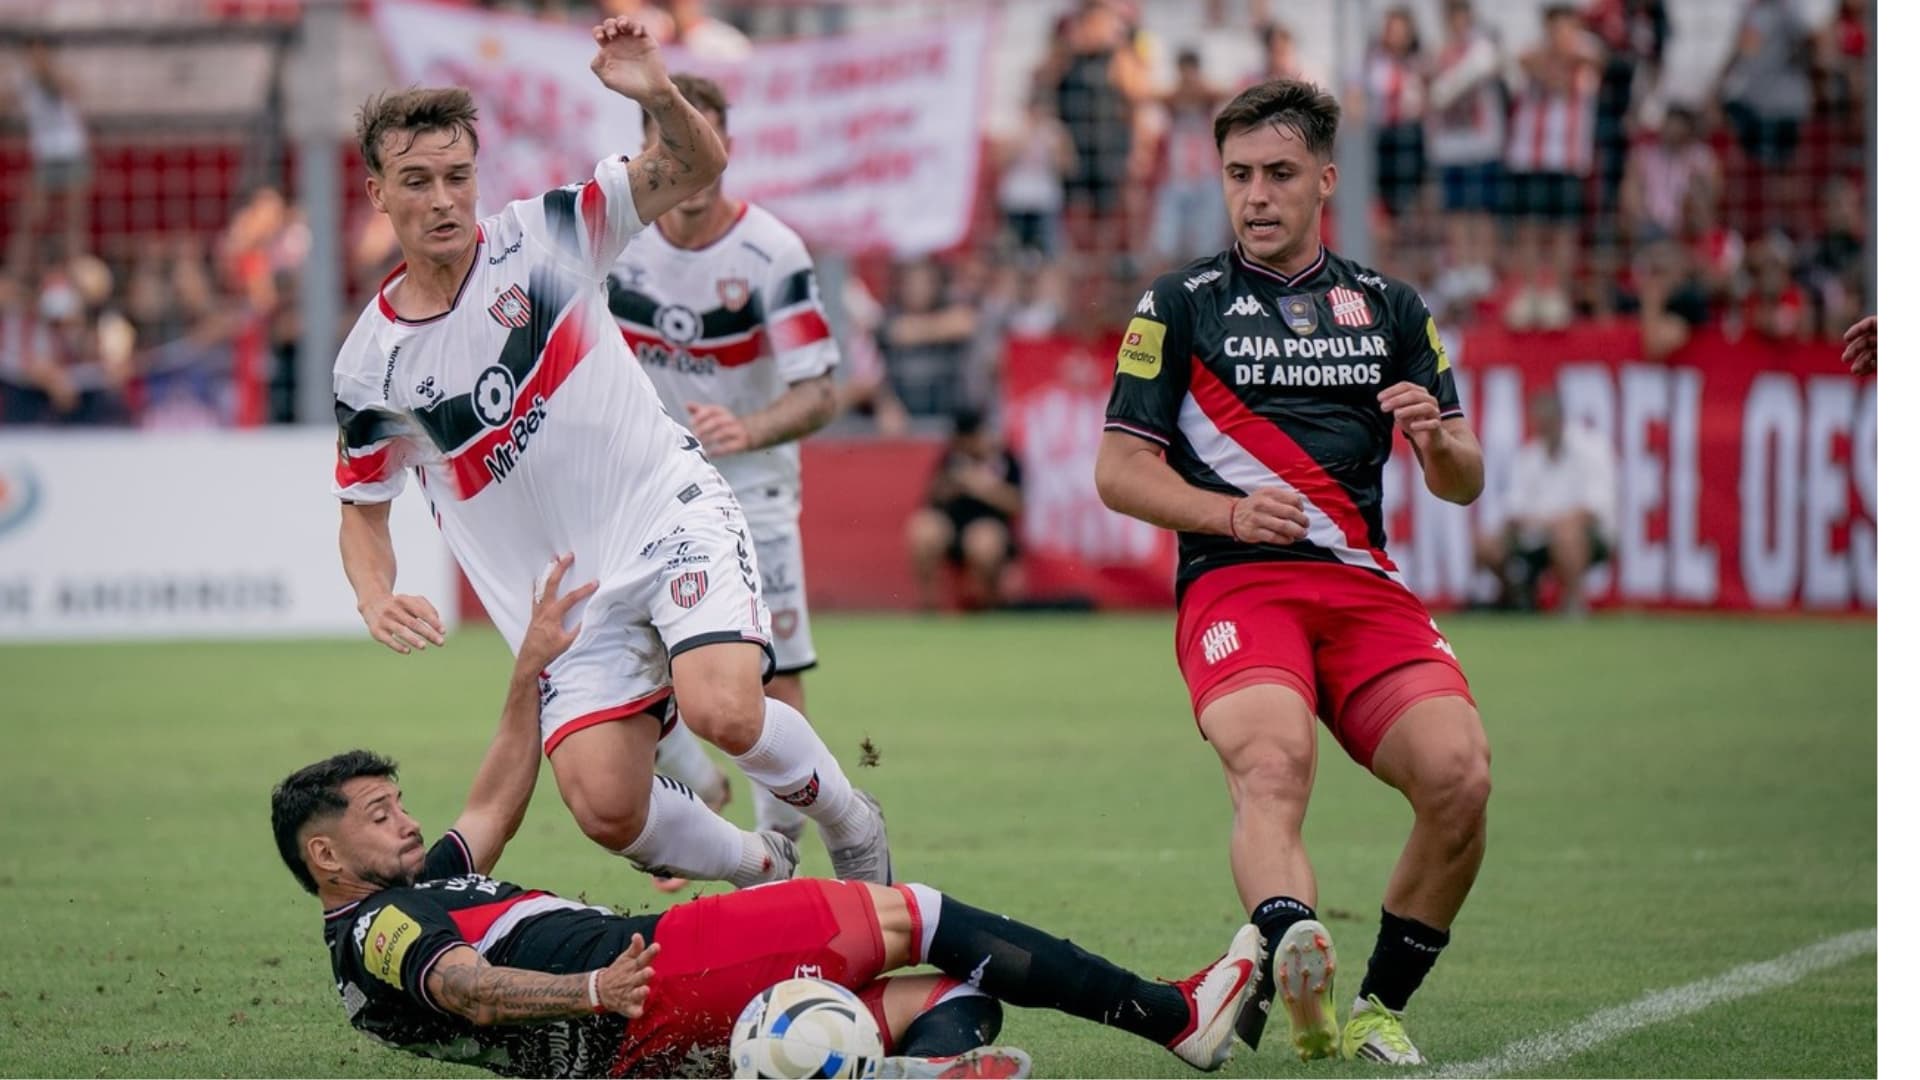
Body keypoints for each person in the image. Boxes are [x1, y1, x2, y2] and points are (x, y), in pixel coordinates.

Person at [271, 564, 1265, 1080]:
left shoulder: (422, 884)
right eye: (380, 817)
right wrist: (592, 985)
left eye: (400, 807)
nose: (407, 825)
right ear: (326, 856)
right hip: (655, 975)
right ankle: (1176, 1017)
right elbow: (472, 991)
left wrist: (531, 672)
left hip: (640, 1045)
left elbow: (492, 801)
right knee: (910, 915)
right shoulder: (376, 928)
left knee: (947, 1008)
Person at [329, 17, 890, 896]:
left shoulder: (549, 234)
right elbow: (363, 509)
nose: (442, 199)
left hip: (663, 514)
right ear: (376, 192)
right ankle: (761, 867)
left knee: (724, 709)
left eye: (456, 176)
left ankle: (851, 821)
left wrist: (659, 95)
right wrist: (374, 592)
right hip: (565, 605)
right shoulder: (371, 365)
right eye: (416, 181)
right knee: (605, 808)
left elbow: (697, 168)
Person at [1094, 79, 1490, 1065]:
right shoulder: (1179, 305)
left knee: (1459, 778)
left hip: (1361, 589)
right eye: (1237, 176)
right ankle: (1288, 939)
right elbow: (1117, 471)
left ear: (1324, 179)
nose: (1255, 195)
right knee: (1272, 767)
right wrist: (1229, 512)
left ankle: (1374, 1006)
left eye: (1277, 174)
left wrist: (1436, 443)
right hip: (1238, 585)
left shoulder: (1391, 308)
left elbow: (1465, 480)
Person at [605, 74, 840, 873]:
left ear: (725, 148)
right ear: (645, 150)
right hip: (643, 489)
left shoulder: (771, 253)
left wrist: (749, 428)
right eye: (667, 140)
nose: (687, 160)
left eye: (699, 139)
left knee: (774, 675)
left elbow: (821, 390)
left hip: (753, 491)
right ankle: (698, 790)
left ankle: (779, 857)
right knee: (621, 663)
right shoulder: (614, 239)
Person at [1474, 389, 1615, 614]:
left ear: (1560, 420)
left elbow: (1594, 508)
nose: (1542, 427)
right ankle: (1517, 597)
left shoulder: (1592, 449)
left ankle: (1573, 603)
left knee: (1567, 536)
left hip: (1583, 536)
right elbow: (1514, 508)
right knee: (1486, 543)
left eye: (1547, 421)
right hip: (1536, 535)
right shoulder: (1530, 455)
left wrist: (1552, 524)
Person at [905, 409, 1024, 611]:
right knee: (923, 530)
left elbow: (1017, 504)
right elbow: (932, 498)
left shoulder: (1005, 460)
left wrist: (979, 485)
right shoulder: (952, 459)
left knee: (983, 542)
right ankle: (930, 605)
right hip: (952, 526)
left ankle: (986, 604)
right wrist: (951, 485)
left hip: (990, 527)